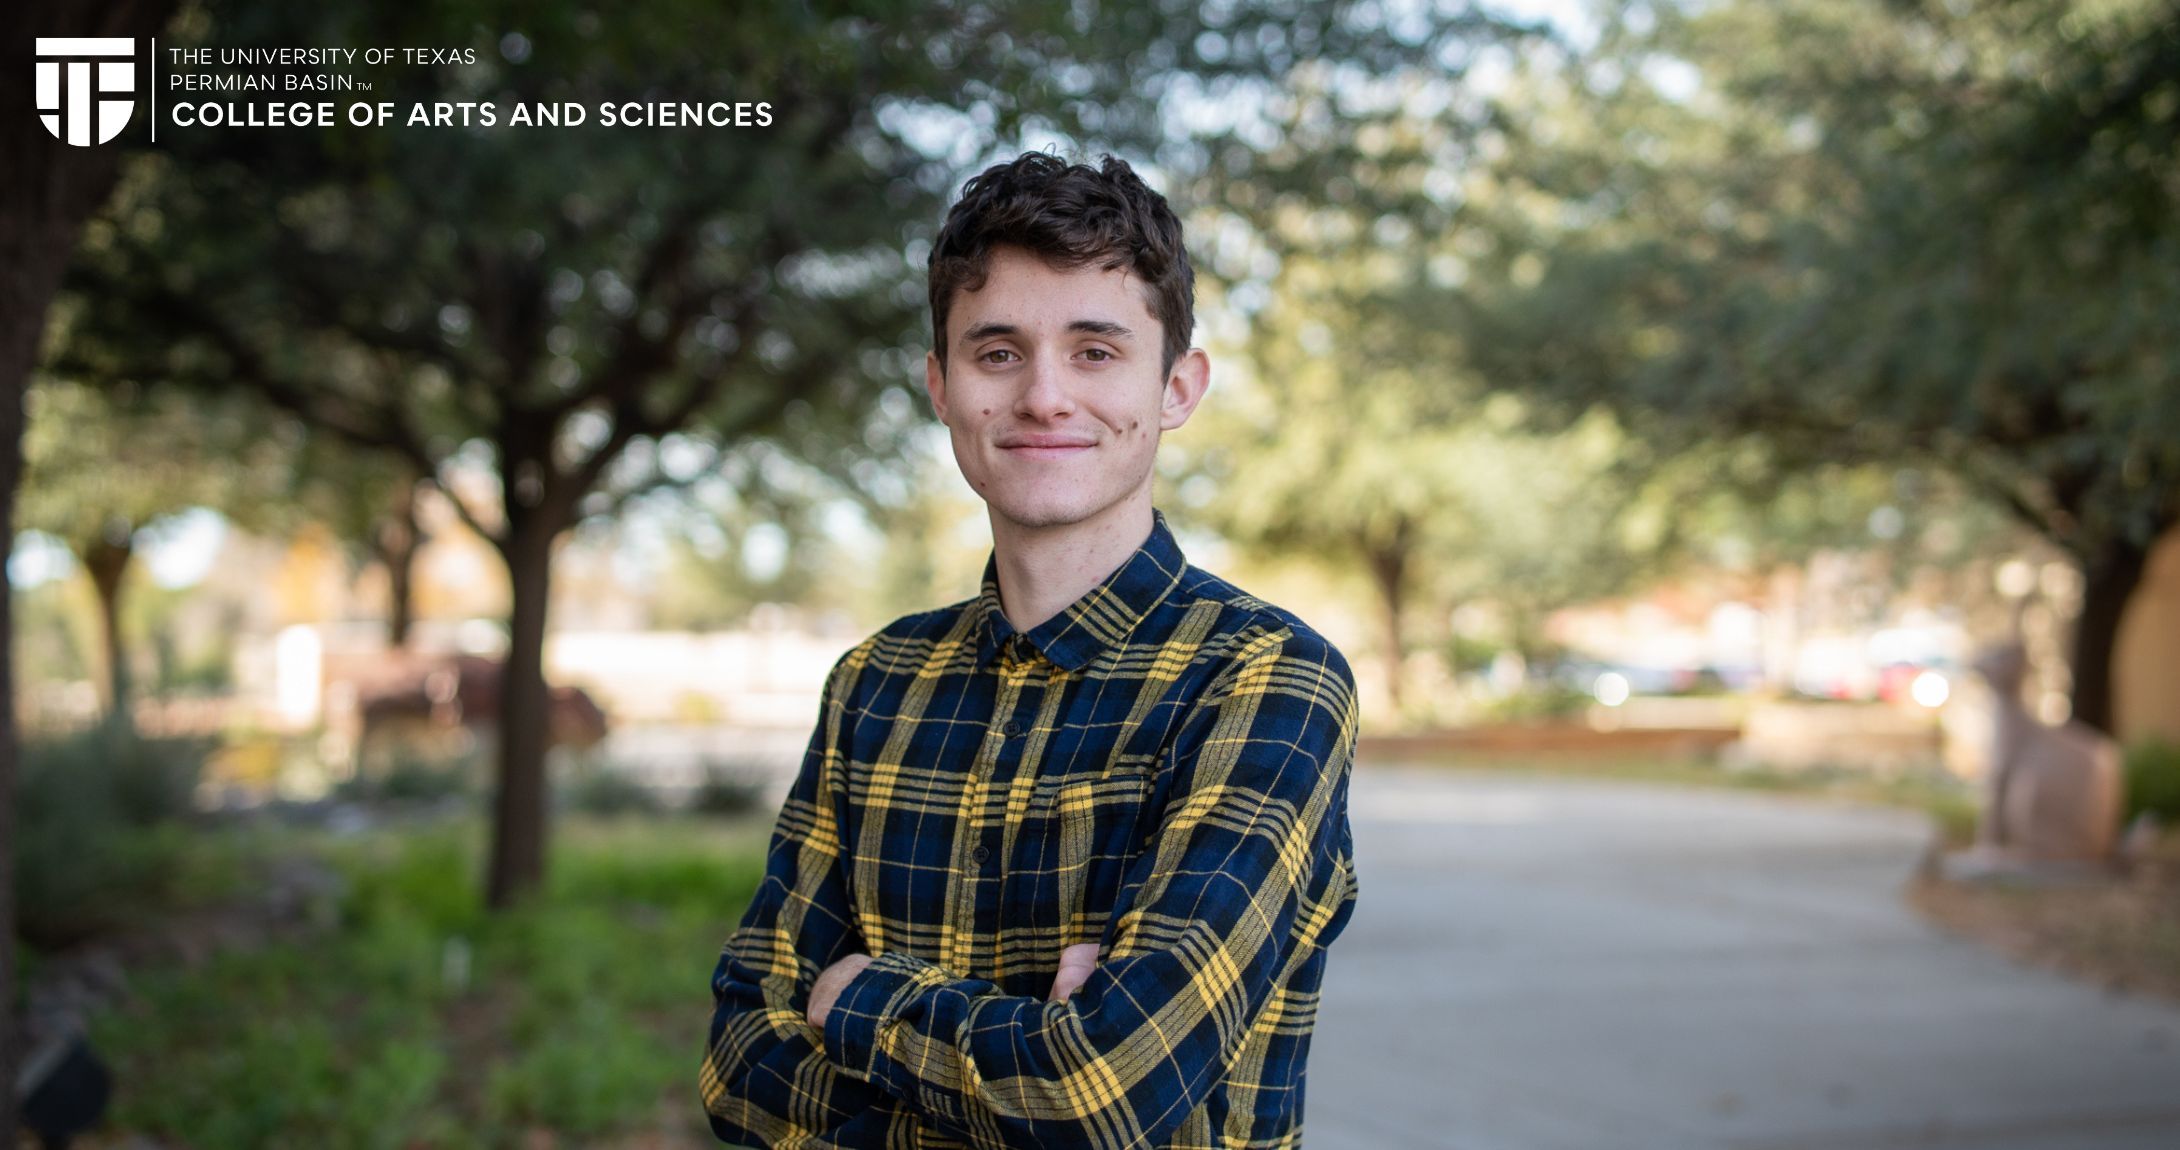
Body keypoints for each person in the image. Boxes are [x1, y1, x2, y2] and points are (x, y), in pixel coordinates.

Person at [701, 151, 1360, 1149]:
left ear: (1177, 387)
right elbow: (740, 1066)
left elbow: (1101, 1091)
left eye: (1094, 351)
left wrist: (859, 999)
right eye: (997, 352)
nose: (1044, 396)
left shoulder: (1264, 680)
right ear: (940, 384)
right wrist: (1025, 1056)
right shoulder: (875, 683)